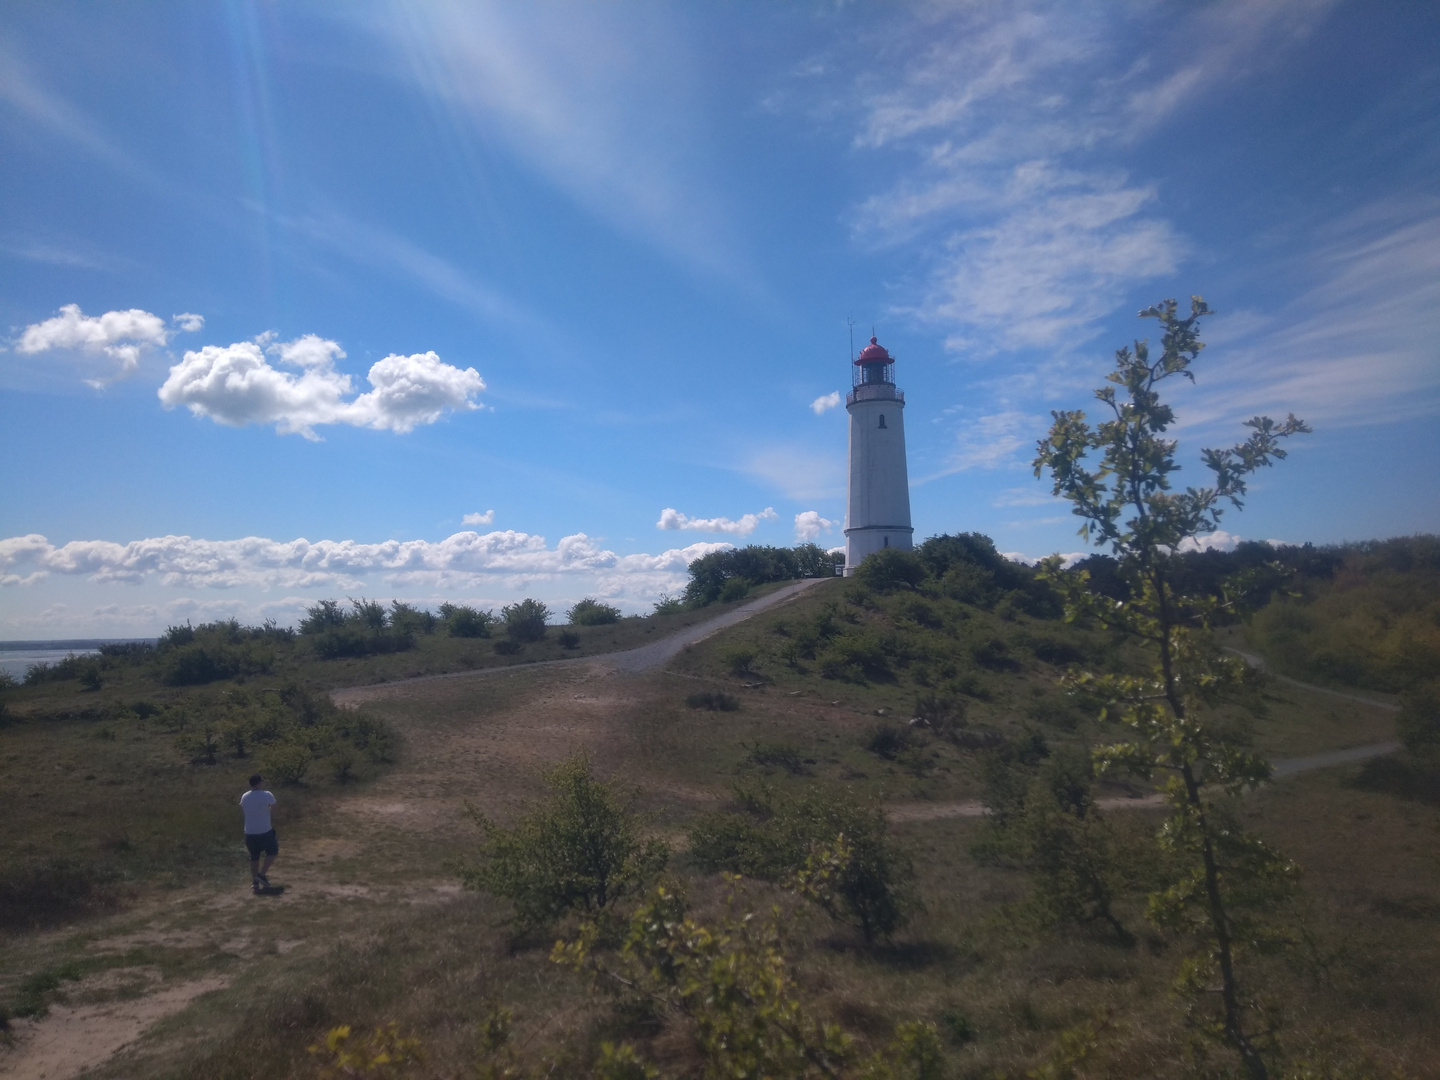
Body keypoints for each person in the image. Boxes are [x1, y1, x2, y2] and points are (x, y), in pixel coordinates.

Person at [240, 772, 278, 894]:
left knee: (254, 856)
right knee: (272, 851)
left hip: (249, 831)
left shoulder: (245, 796)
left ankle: (255, 882)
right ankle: (261, 875)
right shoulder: (266, 795)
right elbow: (274, 807)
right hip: (264, 830)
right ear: (259, 783)